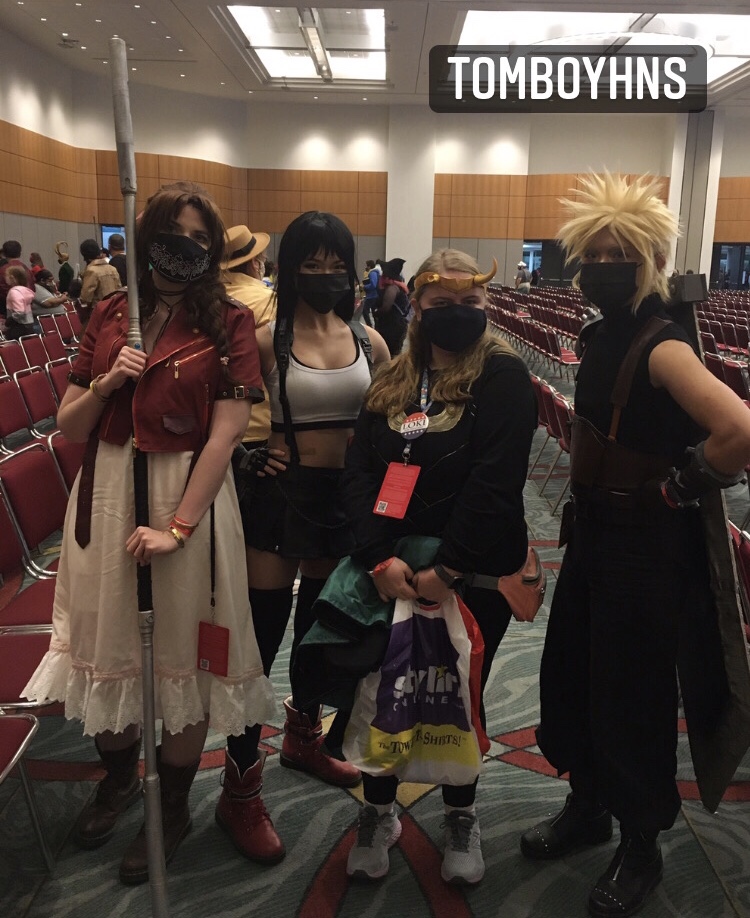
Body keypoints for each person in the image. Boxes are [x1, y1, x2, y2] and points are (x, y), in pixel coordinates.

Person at [22, 181, 275, 885]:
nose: (183, 247)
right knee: (107, 643)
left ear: (212, 248)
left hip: (186, 492)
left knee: (184, 653)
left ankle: (173, 807)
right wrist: (107, 382)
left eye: (198, 237)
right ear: (146, 239)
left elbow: (225, 434)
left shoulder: (229, 322)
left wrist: (179, 527)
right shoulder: (108, 313)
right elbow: (69, 425)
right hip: (107, 490)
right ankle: (117, 781)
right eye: (172, 233)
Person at [519, 173, 750, 917]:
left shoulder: (662, 345)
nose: (602, 266)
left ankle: (641, 842)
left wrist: (681, 486)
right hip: (594, 534)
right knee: (574, 674)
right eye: (593, 253)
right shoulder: (602, 332)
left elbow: (739, 430)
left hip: (646, 550)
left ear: (651, 260)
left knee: (632, 695)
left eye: (620, 254)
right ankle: (588, 804)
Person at [341, 248, 537, 885]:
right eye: (442, 304)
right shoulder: (393, 379)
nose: (458, 313)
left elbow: (495, 484)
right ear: (417, 308)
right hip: (392, 569)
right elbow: (361, 473)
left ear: (487, 306)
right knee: (382, 690)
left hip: (474, 573)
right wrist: (378, 558)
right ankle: (379, 811)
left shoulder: (503, 375)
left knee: (457, 692)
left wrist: (446, 570)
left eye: (470, 303)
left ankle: (460, 813)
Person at [216, 210, 390, 865]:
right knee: (260, 641)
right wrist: (246, 455)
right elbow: (216, 414)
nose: (324, 275)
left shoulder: (370, 341)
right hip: (280, 500)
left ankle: (302, 739)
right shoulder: (264, 339)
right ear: (289, 270)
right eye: (311, 263)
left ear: (351, 270)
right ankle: (239, 790)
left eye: (335, 264)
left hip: (342, 501)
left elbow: (392, 420)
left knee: (321, 634)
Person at [220, 225, 276, 450]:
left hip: (211, 422)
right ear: (255, 263)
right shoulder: (269, 301)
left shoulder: (201, 299)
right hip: (257, 423)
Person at [79, 238, 121, 330]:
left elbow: (85, 297)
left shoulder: (91, 271)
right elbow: (119, 289)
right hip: (114, 310)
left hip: (99, 312)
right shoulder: (112, 269)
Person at [373, 257, 409, 356]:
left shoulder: (392, 288)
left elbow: (386, 307)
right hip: (395, 325)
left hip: (391, 326)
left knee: (389, 354)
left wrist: (376, 312)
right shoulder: (398, 286)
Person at [0, 240, 35, 315]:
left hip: (7, 310)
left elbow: (2, 292)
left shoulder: (3, 270)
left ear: (4, 253)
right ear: (20, 253)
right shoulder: (27, 269)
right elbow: (32, 288)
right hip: (27, 308)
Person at [4, 264, 36, 338]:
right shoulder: (25, 290)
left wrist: (9, 321)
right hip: (29, 323)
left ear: (12, 278)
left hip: (18, 325)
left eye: (6, 276)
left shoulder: (14, 292)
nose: (5, 278)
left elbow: (20, 312)